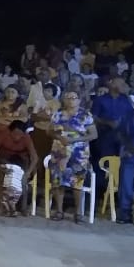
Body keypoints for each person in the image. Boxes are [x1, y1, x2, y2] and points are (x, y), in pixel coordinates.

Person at [48, 90, 97, 223]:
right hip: (59, 152)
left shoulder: (85, 115)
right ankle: (59, 211)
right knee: (58, 182)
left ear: (79, 100)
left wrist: (75, 139)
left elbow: (94, 135)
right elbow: (49, 131)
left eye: (73, 98)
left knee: (77, 183)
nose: (70, 100)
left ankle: (78, 213)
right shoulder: (58, 115)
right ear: (64, 100)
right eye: (68, 98)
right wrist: (59, 137)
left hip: (78, 153)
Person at [0, 120, 38, 213]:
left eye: (20, 134)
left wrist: (28, 172)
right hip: (4, 159)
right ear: (9, 131)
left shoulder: (26, 137)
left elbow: (35, 158)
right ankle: (0, 205)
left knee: (23, 178)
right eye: (15, 134)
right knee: (2, 174)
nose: (17, 137)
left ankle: (23, 208)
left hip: (21, 160)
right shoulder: (2, 134)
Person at [114, 97, 134, 225]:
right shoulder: (128, 115)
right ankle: (125, 214)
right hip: (130, 156)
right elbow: (119, 134)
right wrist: (129, 147)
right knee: (126, 185)